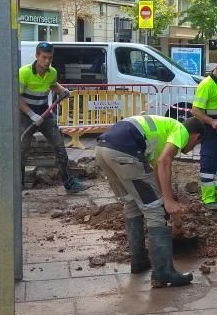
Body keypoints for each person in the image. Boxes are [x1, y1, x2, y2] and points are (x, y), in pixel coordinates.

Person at [95, 114, 206, 287]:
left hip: (103, 150)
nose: (191, 148)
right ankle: (164, 273)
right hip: (125, 152)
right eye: (195, 145)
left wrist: (166, 193)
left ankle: (139, 261)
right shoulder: (181, 130)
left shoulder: (164, 130)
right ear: (196, 136)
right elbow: (164, 162)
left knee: (132, 204)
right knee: (157, 211)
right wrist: (167, 202)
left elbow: (155, 169)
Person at [19, 42, 82, 193]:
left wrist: (62, 90)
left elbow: (52, 85)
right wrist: (31, 114)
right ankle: (17, 185)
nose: (47, 61)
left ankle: (69, 183)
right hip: (25, 115)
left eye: (50, 58)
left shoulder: (52, 72)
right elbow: (17, 97)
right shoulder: (24, 72)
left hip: (45, 114)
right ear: (37, 56)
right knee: (21, 149)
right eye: (44, 57)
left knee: (60, 146)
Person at [189, 56, 217, 211]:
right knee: (209, 162)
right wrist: (212, 122)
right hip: (209, 130)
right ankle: (208, 199)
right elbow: (195, 110)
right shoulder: (206, 85)